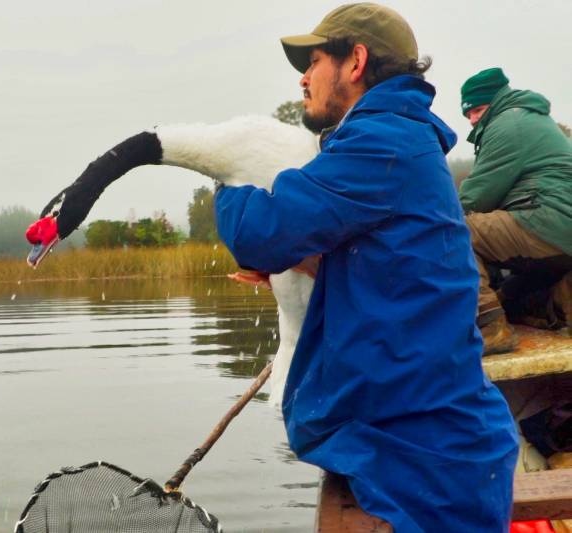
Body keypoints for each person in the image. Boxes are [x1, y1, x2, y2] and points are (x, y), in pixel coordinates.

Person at [214, 3, 518, 532]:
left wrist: (227, 177)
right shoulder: (398, 138)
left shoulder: (381, 141)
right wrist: (316, 265)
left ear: (355, 62)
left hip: (428, 462)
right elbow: (387, 269)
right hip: (426, 443)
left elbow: (257, 234)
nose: (304, 78)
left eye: (312, 63)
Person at [458, 67, 572, 354]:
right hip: (558, 225)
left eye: (478, 109)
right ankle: (553, 305)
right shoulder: (528, 118)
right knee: (511, 292)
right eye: (468, 114)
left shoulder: (508, 124)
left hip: (546, 219)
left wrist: (432, 218)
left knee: (452, 231)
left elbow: (477, 196)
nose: (472, 119)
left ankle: (489, 326)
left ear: (495, 101)